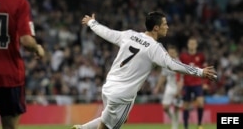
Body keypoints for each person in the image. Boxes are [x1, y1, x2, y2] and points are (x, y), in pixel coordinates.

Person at [72, 11, 217, 129]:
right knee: (106, 126)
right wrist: (200, 72)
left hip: (109, 87)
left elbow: (107, 33)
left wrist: (92, 22)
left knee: (119, 119)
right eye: (165, 24)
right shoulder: (155, 48)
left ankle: (81, 128)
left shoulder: (129, 34)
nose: (168, 27)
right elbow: (173, 65)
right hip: (122, 95)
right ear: (156, 28)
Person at [0, 0, 45, 129]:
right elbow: (26, 41)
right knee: (9, 125)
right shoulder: (18, 2)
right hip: (9, 76)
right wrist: (37, 48)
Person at [179, 37, 208, 129]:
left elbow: (205, 69)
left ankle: (199, 124)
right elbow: (179, 69)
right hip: (187, 84)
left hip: (197, 83)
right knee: (186, 105)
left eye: (193, 43)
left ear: (196, 45)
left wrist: (205, 82)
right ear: (188, 45)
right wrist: (179, 80)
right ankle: (186, 126)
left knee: (200, 103)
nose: (192, 45)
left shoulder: (201, 56)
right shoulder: (183, 56)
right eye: (190, 43)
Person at [153, 45, 183, 129]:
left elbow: (181, 79)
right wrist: (157, 87)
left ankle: (175, 127)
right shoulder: (166, 63)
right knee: (165, 107)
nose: (171, 54)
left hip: (178, 87)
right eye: (170, 53)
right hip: (169, 87)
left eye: (173, 53)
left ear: (176, 53)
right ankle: (174, 120)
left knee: (177, 108)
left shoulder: (179, 64)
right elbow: (163, 76)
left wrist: (179, 90)